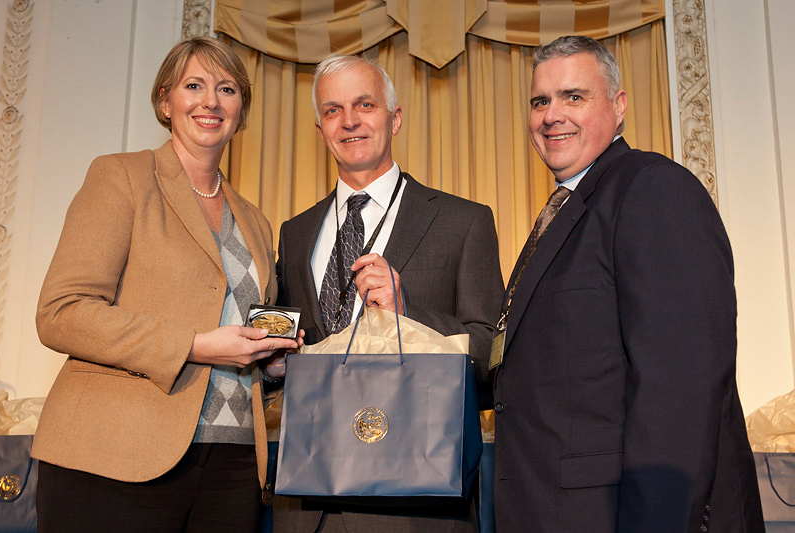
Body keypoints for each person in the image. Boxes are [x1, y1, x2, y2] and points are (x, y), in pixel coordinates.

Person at [492, 35, 764, 532]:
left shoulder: (652, 189)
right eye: (540, 101)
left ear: (618, 107)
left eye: (574, 96)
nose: (552, 115)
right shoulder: (563, 213)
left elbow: (679, 389)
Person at [32, 37, 302, 532]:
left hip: (234, 464)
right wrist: (194, 345)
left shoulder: (256, 222)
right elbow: (61, 313)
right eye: (193, 86)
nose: (211, 101)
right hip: (114, 453)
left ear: (241, 111)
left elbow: (242, 336)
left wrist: (272, 365)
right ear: (164, 101)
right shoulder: (121, 176)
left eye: (227, 89)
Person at [274, 54, 504, 532]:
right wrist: (274, 360)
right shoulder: (294, 233)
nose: (349, 121)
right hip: (307, 504)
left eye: (365, 105)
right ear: (320, 129)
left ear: (394, 119)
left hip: (415, 504)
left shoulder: (464, 221)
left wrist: (407, 312)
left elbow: (491, 355)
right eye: (333, 110)